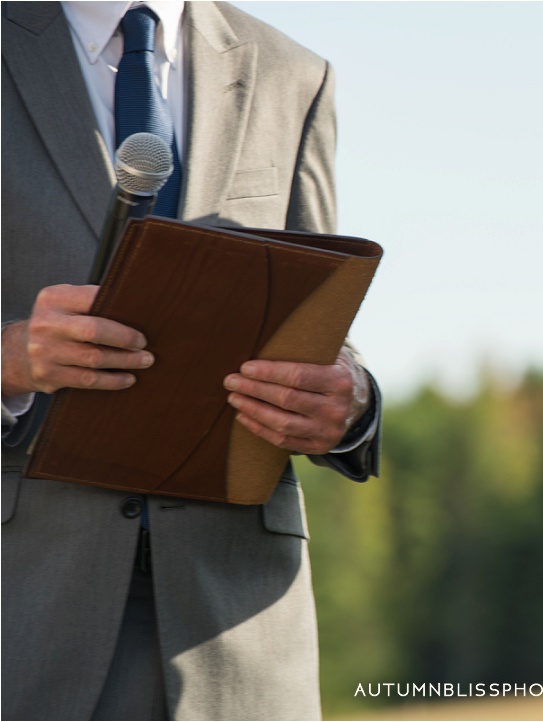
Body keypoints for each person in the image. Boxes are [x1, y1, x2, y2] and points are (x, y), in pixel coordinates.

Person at [1, 2, 380, 719]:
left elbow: (321, 323)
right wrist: (12, 356)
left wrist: (350, 403)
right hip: (25, 605)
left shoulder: (296, 72)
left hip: (236, 613)